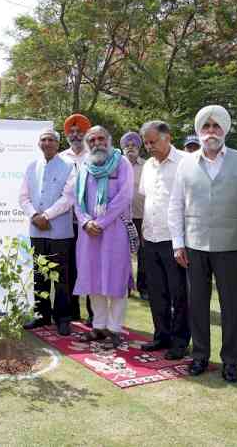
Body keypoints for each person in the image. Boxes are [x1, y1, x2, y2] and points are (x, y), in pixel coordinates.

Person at [168, 105, 237, 382]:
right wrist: (178, 243)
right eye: (206, 127)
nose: (211, 132)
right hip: (194, 246)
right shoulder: (186, 162)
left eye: (216, 126)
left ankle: (231, 361)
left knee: (231, 307)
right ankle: (199, 356)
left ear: (225, 130)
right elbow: (176, 204)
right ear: (199, 131)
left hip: (231, 246)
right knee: (197, 304)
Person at [72, 126, 133, 348]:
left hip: (114, 231)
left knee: (116, 280)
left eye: (101, 138)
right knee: (94, 280)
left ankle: (115, 329)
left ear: (109, 140)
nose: (97, 143)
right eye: (93, 139)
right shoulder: (84, 166)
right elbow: (77, 199)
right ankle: (98, 326)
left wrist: (101, 222)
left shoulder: (122, 163)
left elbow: (124, 196)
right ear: (88, 143)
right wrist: (86, 221)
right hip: (89, 234)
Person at [137, 121, 190, 359]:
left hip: (175, 240)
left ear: (167, 137)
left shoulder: (186, 163)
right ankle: (161, 336)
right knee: (156, 293)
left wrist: (184, 240)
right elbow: (149, 200)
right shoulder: (148, 165)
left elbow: (190, 203)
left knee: (179, 294)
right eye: (146, 143)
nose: (149, 146)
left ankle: (179, 342)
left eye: (153, 141)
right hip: (151, 236)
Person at [19, 128, 75, 336]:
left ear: (57, 144)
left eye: (51, 139)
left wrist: (47, 216)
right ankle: (42, 316)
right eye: (43, 139)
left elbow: (68, 198)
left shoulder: (69, 166)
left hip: (59, 231)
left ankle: (63, 318)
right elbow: (23, 197)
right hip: (36, 229)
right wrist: (35, 215)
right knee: (40, 275)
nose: (47, 143)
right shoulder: (32, 166)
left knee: (61, 277)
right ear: (39, 143)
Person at [59, 113, 94, 324]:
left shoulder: (95, 156)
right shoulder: (61, 157)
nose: (75, 134)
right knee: (69, 268)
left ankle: (94, 314)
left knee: (89, 266)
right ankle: (72, 313)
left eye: (79, 131)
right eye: (71, 131)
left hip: (90, 222)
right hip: (66, 222)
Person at [120, 131, 148, 299]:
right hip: (122, 217)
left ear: (139, 148)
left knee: (144, 254)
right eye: (127, 146)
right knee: (123, 253)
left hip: (143, 216)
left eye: (134, 146)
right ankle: (125, 286)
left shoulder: (147, 165)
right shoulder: (116, 165)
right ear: (122, 148)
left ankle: (144, 288)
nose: (131, 148)